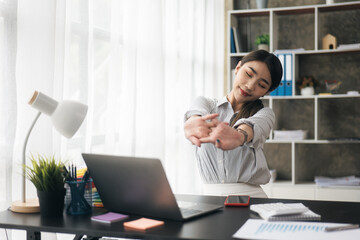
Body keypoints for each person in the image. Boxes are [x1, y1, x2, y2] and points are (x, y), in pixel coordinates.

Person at [184, 50, 283, 198]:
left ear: (266, 92)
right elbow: (196, 114)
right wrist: (193, 122)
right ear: (237, 68)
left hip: (252, 198)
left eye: (261, 85)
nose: (250, 86)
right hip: (211, 197)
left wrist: (238, 136)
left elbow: (248, 128)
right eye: (248, 74)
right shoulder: (206, 104)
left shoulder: (265, 114)